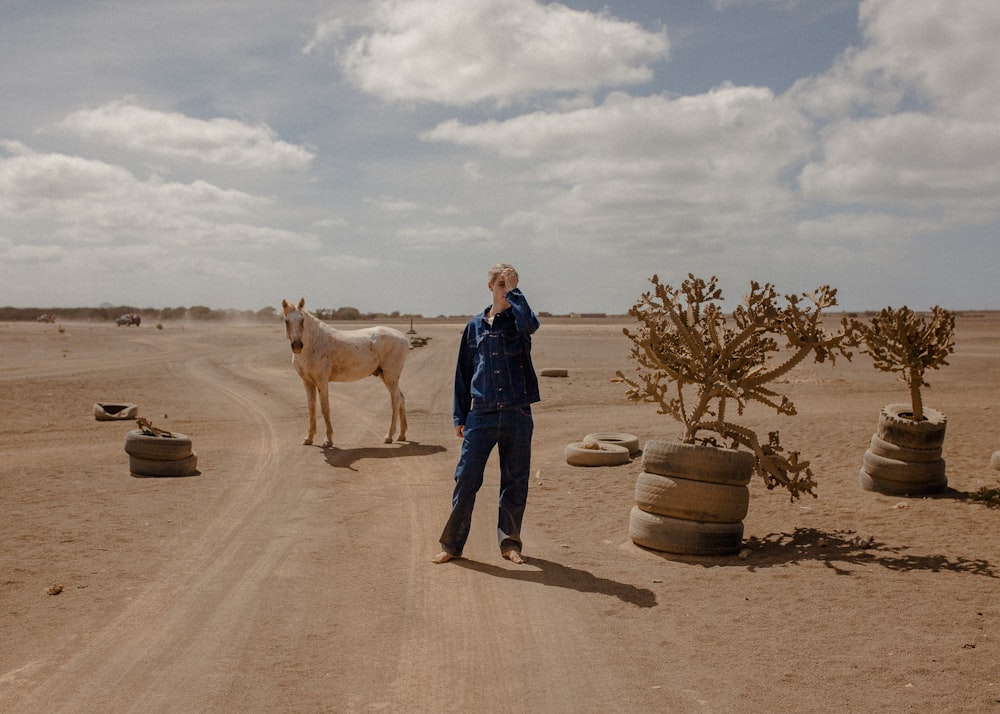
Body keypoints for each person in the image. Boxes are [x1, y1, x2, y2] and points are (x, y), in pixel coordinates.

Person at [432, 263, 540, 565]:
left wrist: (516, 292)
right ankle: (452, 545)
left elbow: (531, 325)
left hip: (518, 412)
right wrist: (460, 417)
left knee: (515, 480)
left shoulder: (519, 322)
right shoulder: (474, 327)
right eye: (501, 284)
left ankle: (510, 543)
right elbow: (463, 375)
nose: (505, 289)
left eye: (510, 284)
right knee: (466, 478)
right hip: (481, 414)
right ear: (490, 286)